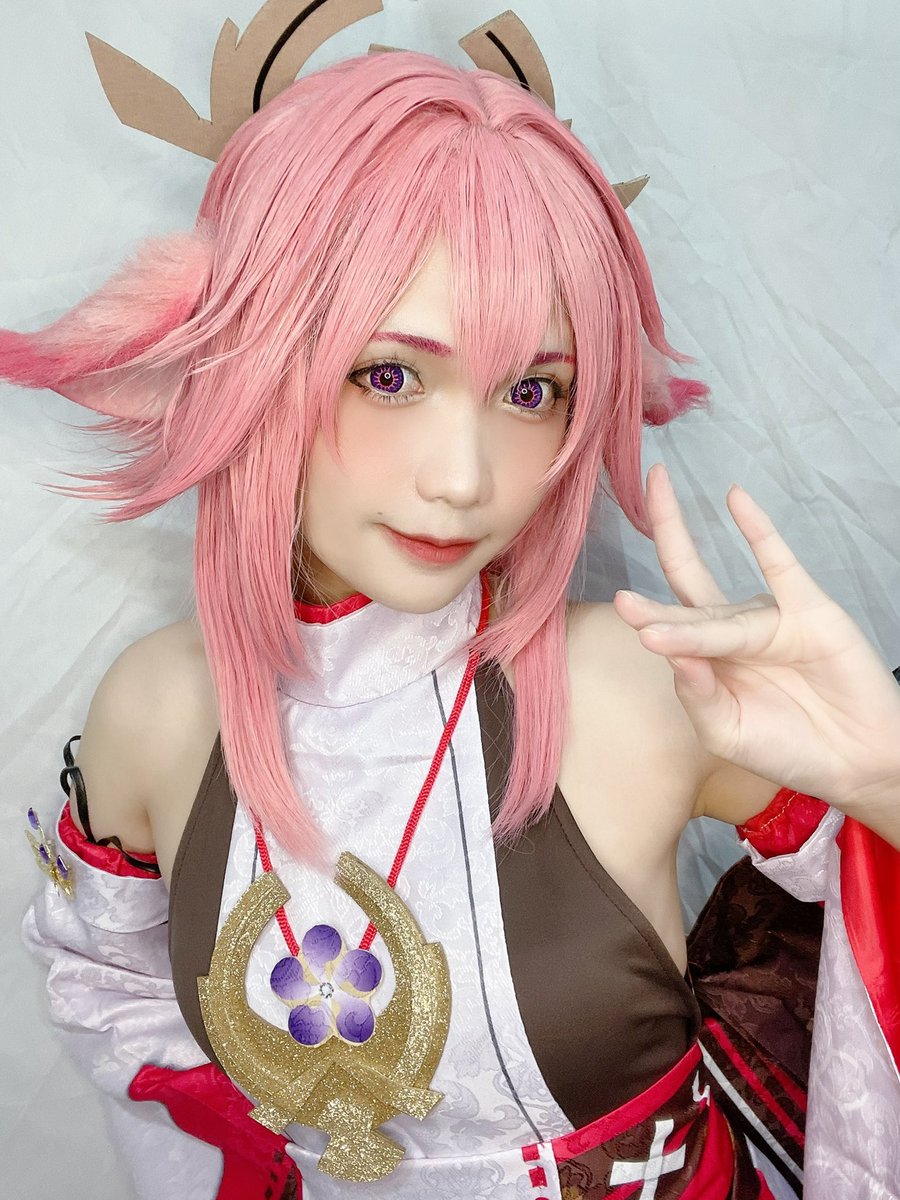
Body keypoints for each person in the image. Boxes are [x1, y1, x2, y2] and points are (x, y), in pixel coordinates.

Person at [5, 48, 899, 1200]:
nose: (467, 478)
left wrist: (886, 776)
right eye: (389, 375)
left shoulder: (640, 684)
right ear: (252, 362)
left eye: (532, 392)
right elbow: (114, 1001)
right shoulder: (156, 712)